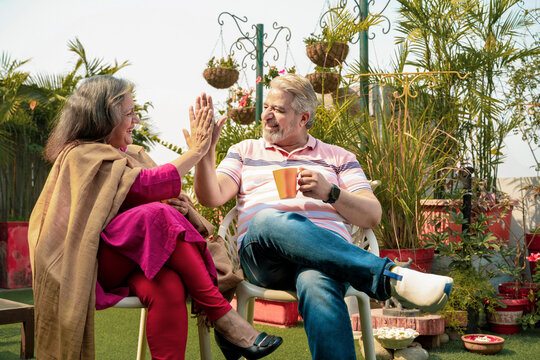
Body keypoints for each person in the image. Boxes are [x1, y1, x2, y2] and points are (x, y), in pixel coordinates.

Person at [194, 73, 454, 360]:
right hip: (264, 257)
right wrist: (205, 152)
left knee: (316, 282)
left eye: (278, 110)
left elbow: (372, 215)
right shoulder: (244, 151)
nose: (266, 115)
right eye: (266, 106)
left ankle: (385, 277)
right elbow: (211, 197)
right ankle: (389, 277)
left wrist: (330, 192)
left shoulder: (339, 157)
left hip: (325, 258)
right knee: (267, 219)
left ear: (304, 118)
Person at [27, 75, 282, 360]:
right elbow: (144, 186)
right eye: (128, 114)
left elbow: (152, 193)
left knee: (168, 283)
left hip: (136, 260)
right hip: (93, 265)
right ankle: (223, 317)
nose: (135, 121)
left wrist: (180, 205)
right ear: (102, 117)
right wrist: (195, 152)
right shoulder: (79, 155)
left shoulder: (133, 153)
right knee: (157, 215)